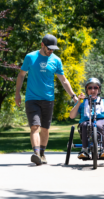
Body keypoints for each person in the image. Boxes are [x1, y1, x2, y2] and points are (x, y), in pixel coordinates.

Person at [15, 34, 78, 166]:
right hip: (32, 98)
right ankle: (36, 153)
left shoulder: (56, 60)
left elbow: (63, 80)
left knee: (45, 129)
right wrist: (17, 94)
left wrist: (73, 95)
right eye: (49, 48)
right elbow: (21, 76)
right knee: (34, 127)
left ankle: (42, 153)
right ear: (42, 44)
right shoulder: (30, 57)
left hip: (48, 99)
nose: (51, 51)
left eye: (53, 49)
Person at [69, 78, 104, 159]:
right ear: (86, 90)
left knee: (98, 125)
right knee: (85, 125)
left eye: (95, 87)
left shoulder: (103, 101)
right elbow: (72, 116)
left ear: (99, 89)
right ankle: (84, 150)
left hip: (101, 121)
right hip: (86, 121)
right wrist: (78, 103)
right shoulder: (82, 101)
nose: (93, 90)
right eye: (90, 88)